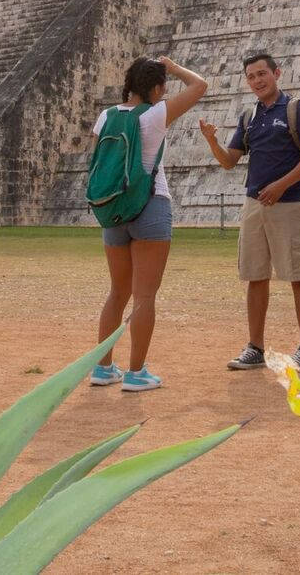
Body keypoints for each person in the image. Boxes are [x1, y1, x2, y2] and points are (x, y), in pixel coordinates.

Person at [198, 51, 300, 373]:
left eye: (262, 74)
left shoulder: (296, 110)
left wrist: (281, 185)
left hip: (288, 204)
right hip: (255, 205)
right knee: (255, 276)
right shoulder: (249, 117)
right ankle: (255, 347)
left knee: (297, 275)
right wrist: (212, 141)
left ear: (276, 73)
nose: (257, 81)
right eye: (251, 76)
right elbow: (229, 161)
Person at [90, 55, 207, 393]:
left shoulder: (106, 116)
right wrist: (172, 67)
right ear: (156, 87)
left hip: (112, 209)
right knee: (144, 296)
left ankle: (103, 366)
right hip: (150, 205)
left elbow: (100, 163)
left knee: (117, 292)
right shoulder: (155, 115)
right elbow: (199, 86)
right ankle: (136, 372)